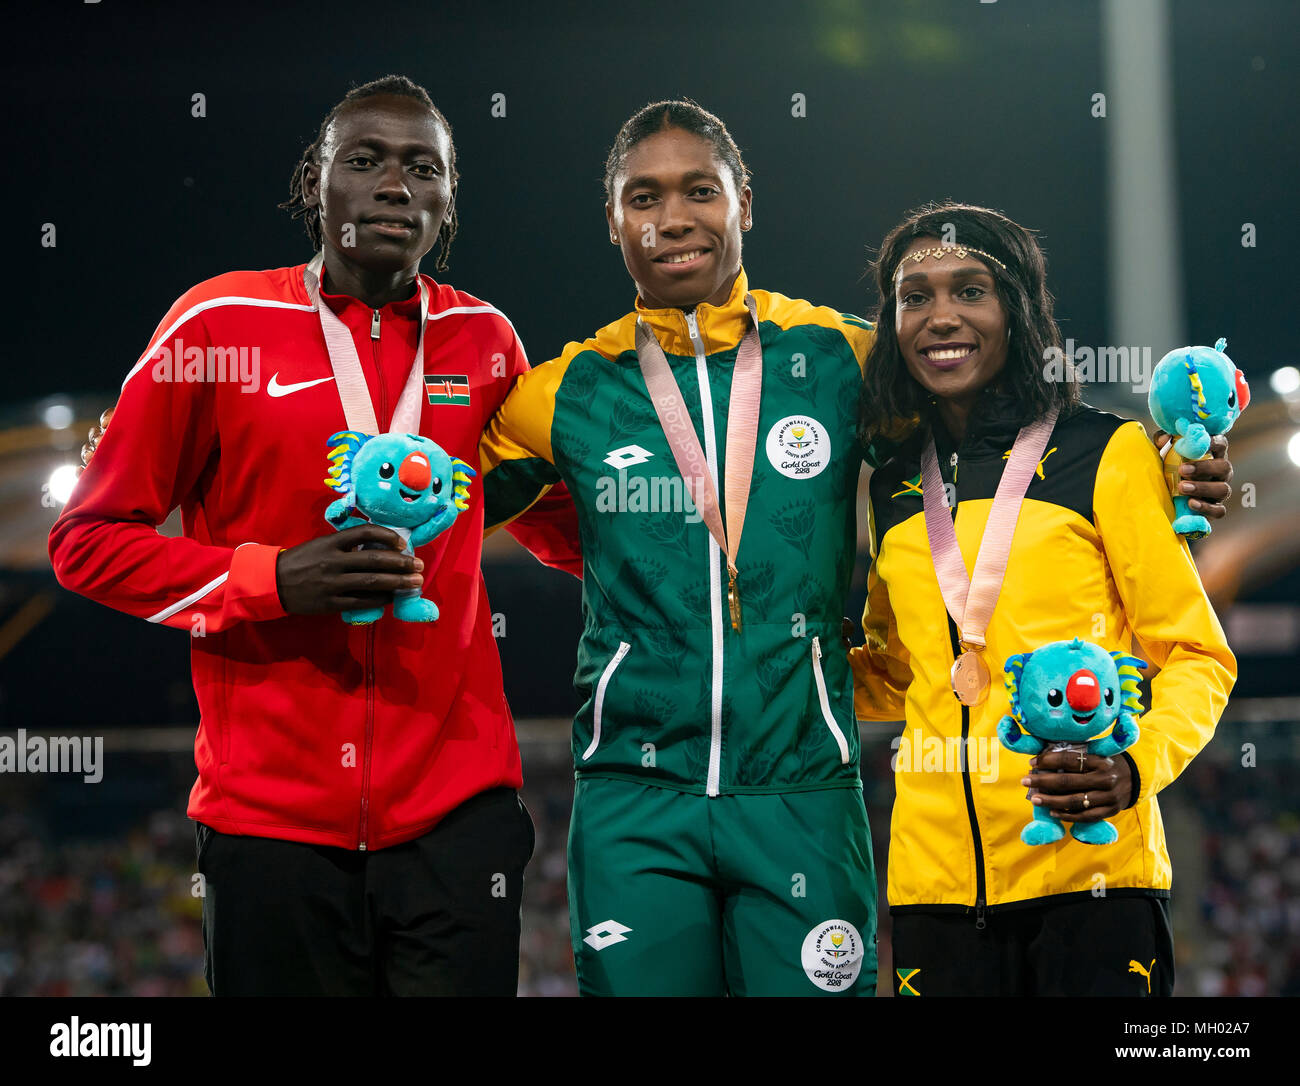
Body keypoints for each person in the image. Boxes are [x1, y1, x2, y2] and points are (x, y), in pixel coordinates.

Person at [49, 75, 581, 996]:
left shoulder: (486, 343)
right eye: (364, 161)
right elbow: (88, 540)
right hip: (269, 827)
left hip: (460, 821)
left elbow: (549, 523)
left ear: (448, 201)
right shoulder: (219, 325)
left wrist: (673, 510)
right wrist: (271, 579)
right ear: (316, 185)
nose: (394, 186)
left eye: (424, 169)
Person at [478, 99, 883, 997]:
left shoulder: (841, 357)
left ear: (745, 202)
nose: (673, 219)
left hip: (803, 790)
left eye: (700, 190)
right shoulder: (566, 392)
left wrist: (1171, 465)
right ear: (614, 221)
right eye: (642, 197)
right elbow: (425, 509)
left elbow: (990, 444)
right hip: (633, 798)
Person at [849, 202, 1236, 996]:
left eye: (970, 291)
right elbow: (900, 673)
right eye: (914, 296)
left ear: (1017, 311)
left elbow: (1197, 655)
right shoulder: (890, 482)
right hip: (933, 895)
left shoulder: (1106, 452)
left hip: (1094, 880)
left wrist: (1135, 766)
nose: (940, 316)